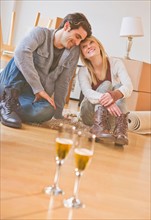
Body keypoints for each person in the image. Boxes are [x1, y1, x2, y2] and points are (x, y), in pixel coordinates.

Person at [0, 12, 92, 129]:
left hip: (29, 96)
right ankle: (8, 102)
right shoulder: (40, 33)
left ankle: (8, 108)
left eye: (81, 40)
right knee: (22, 56)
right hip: (8, 85)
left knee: (48, 110)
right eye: (77, 36)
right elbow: (20, 53)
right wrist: (38, 88)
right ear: (67, 26)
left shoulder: (73, 52)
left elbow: (63, 82)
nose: (77, 43)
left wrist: (58, 114)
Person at [78, 35, 133, 146]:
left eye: (91, 43)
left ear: (98, 45)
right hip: (89, 115)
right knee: (107, 84)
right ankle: (98, 128)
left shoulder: (116, 63)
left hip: (109, 119)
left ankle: (120, 131)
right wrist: (108, 100)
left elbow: (129, 86)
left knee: (119, 87)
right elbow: (88, 93)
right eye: (84, 46)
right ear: (83, 54)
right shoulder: (83, 71)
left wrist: (114, 95)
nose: (89, 47)